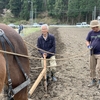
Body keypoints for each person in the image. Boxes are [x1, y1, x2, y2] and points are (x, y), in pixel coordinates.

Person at [86, 20, 100, 89]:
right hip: (92, 53)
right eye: (92, 28)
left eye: (94, 28)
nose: (93, 29)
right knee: (92, 68)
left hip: (99, 53)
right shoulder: (90, 33)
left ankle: (99, 81)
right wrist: (88, 46)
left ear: (97, 26)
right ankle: (93, 79)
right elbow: (87, 40)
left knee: (99, 68)